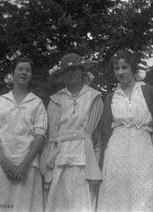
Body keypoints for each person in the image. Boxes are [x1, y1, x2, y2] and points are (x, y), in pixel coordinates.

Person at [98, 50, 153, 212]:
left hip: (143, 153)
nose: (121, 72)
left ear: (133, 68)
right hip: (116, 154)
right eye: (116, 69)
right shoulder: (111, 97)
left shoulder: (147, 91)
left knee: (144, 197)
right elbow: (104, 131)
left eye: (124, 67)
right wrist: (101, 159)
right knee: (114, 198)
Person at [0, 57, 47, 212]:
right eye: (20, 69)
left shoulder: (37, 103)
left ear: (32, 75)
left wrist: (24, 165)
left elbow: (40, 136)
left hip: (28, 166)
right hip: (0, 164)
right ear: (13, 73)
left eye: (28, 70)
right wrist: (3, 161)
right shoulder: (0, 101)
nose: (24, 72)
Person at [40, 53, 103, 212]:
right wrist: (47, 157)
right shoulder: (55, 99)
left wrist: (97, 154)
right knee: (59, 201)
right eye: (66, 71)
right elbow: (50, 134)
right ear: (62, 76)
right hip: (60, 155)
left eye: (74, 69)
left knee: (82, 201)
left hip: (84, 155)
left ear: (82, 71)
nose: (71, 73)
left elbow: (99, 134)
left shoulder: (94, 97)